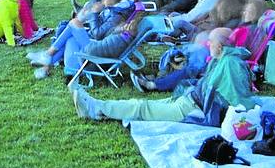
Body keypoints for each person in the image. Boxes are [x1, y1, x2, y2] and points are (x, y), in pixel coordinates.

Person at [73, 28, 255, 124]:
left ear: (220, 46)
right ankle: (98, 107)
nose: (208, 44)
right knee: (145, 105)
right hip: (192, 100)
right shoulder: (223, 59)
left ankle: (97, 108)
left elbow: (237, 98)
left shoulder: (230, 64)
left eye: (211, 42)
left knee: (142, 109)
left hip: (196, 109)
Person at [27, 0, 131, 79]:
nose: (104, 0)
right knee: (70, 37)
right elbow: (100, 28)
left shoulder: (117, 16)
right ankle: (47, 65)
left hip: (98, 47)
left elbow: (98, 34)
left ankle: (48, 55)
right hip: (94, 42)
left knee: (74, 23)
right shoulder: (112, 10)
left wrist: (94, 14)